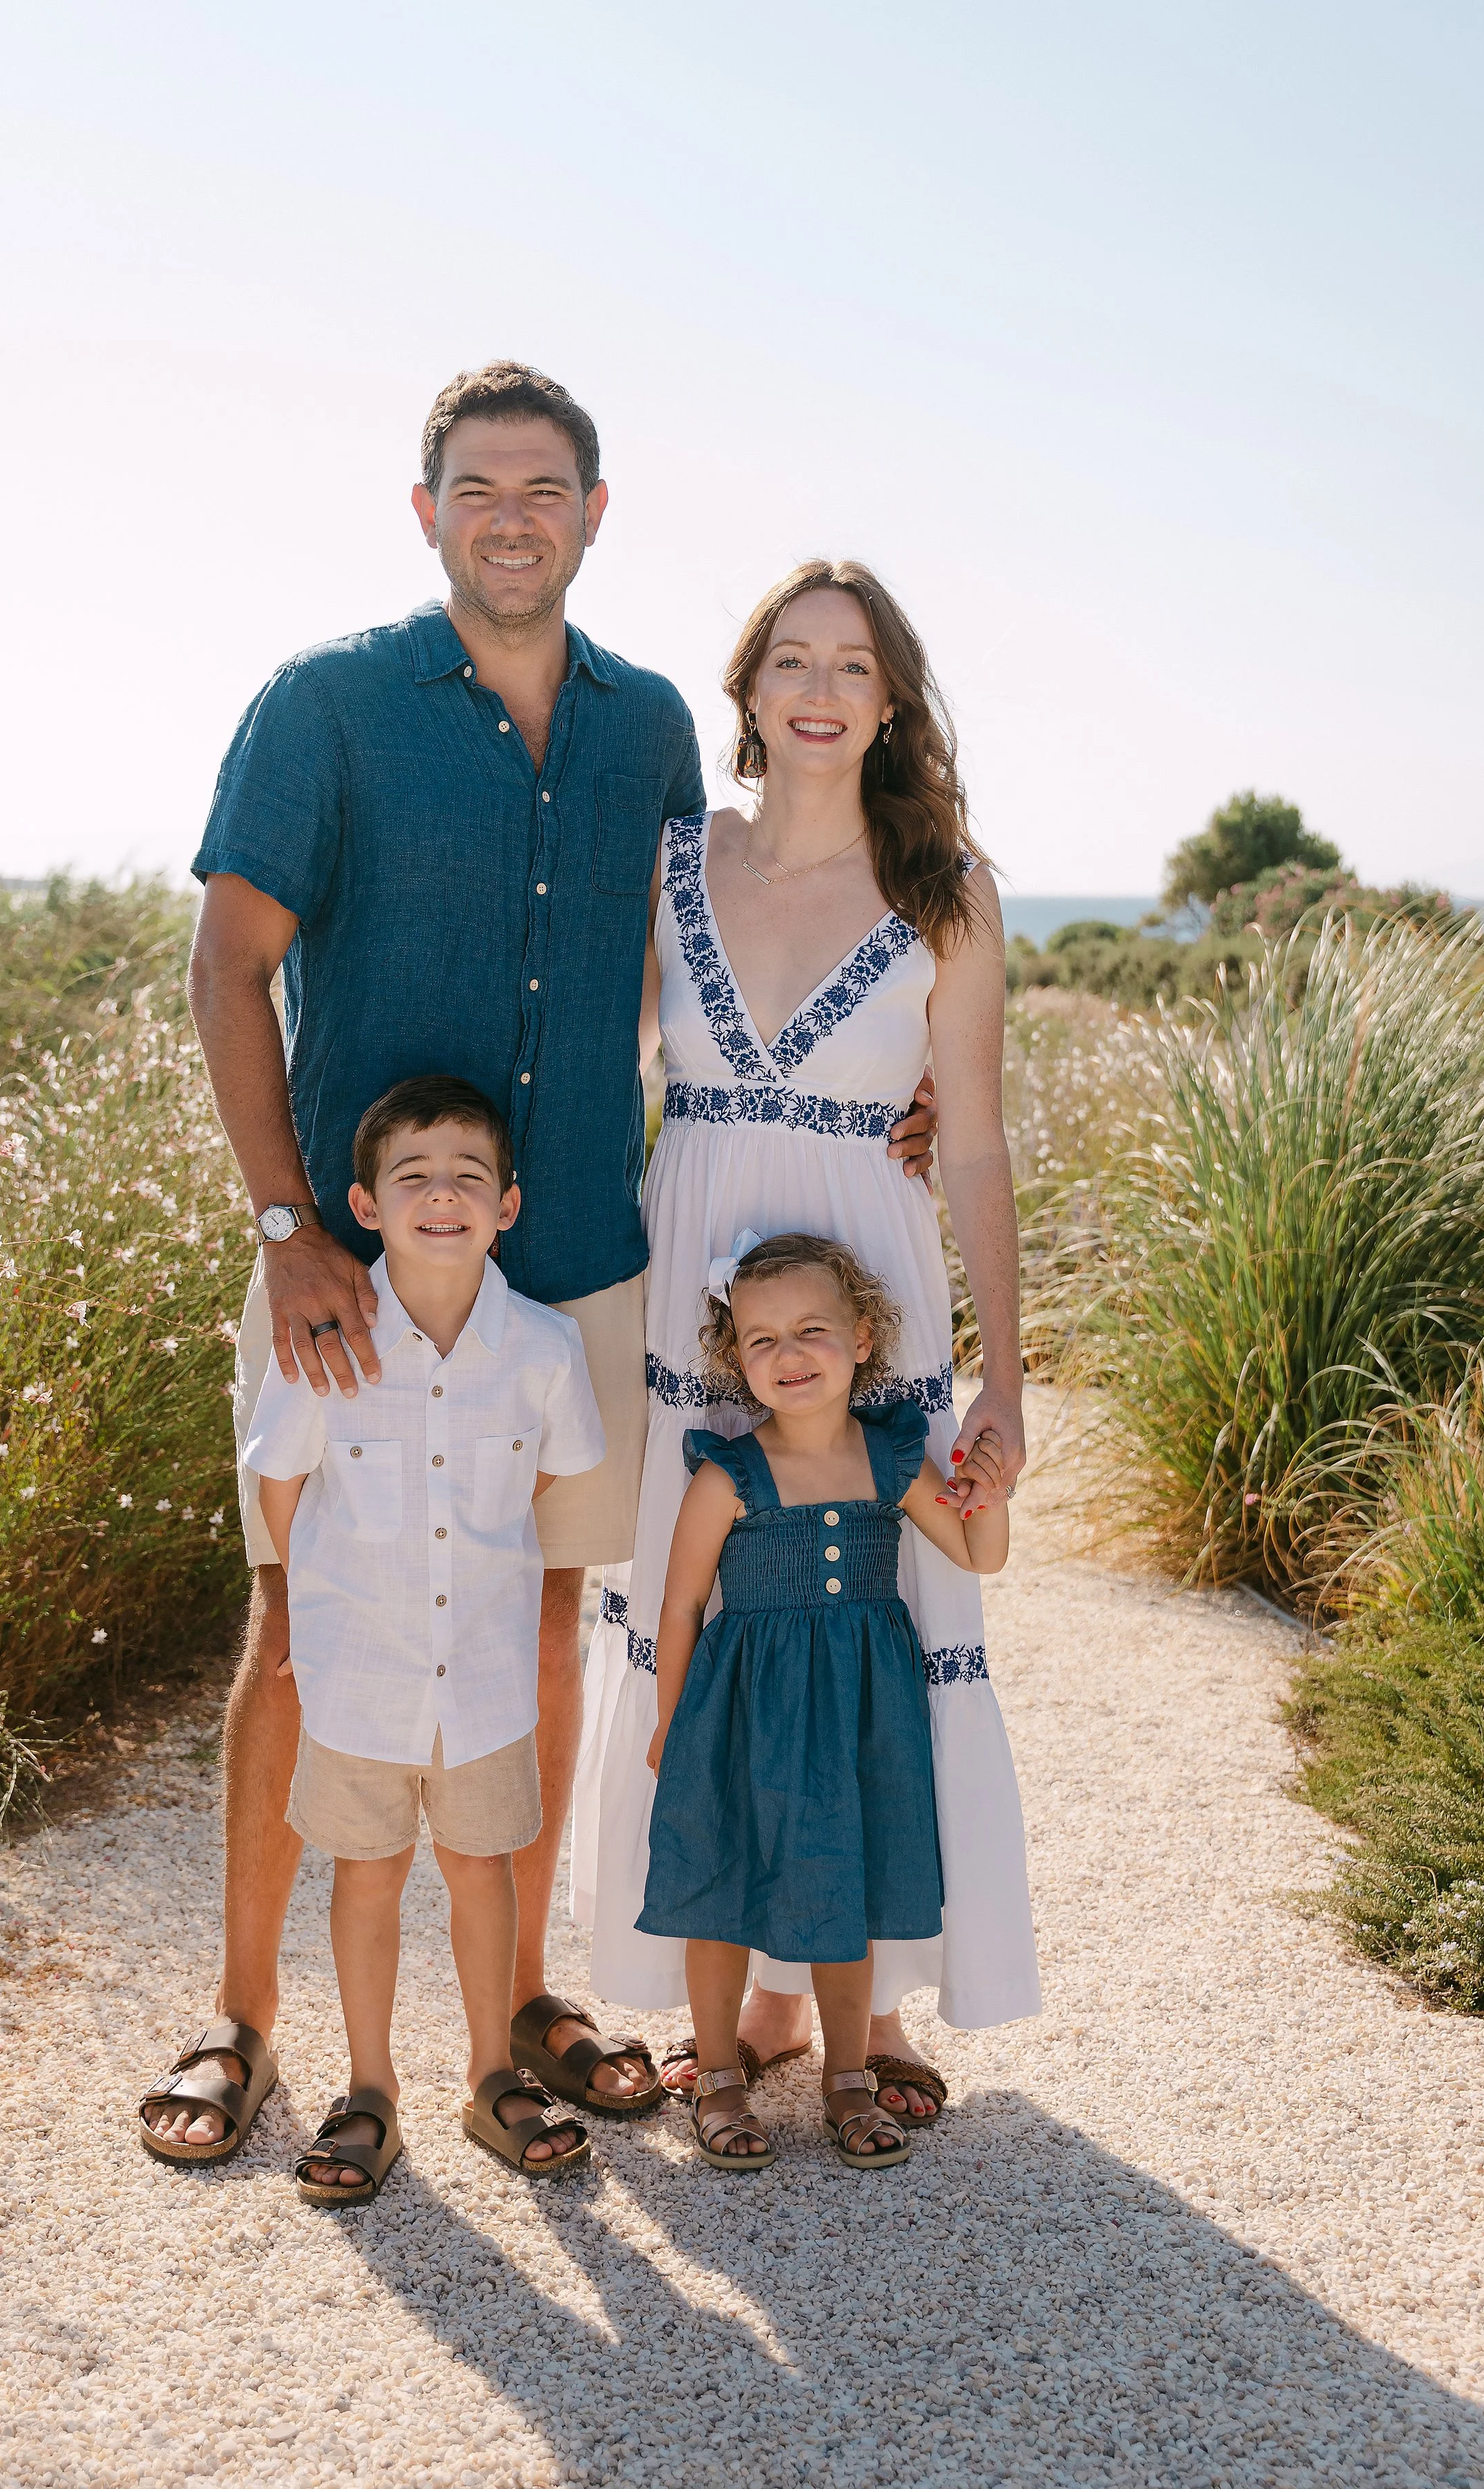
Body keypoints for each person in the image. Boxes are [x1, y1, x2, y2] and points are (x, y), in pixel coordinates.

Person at [139, 356, 948, 2158]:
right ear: (425, 511)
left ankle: (517, 2012)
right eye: (477, 486)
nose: (513, 514)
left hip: (584, 1249)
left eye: (546, 487)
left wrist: (884, 1095)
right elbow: (226, 962)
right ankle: (243, 2014)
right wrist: (284, 1224)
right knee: (292, 1626)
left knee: (546, 1623)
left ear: (596, 513)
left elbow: (728, 946)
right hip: (348, 1269)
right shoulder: (327, 705)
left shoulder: (651, 726)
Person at [572, 558, 1043, 2120]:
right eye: (792, 659)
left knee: (881, 1619)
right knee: (708, 1605)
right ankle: (748, 1999)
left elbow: (966, 1141)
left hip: (869, 1288)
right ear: (750, 690)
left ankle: (876, 1998)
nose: (821, 688)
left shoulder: (946, 889)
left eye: (853, 665)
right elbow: (588, 1061)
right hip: (693, 1274)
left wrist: (1004, 1372)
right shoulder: (671, 859)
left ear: (890, 698)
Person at [239, 1077, 608, 2198]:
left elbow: (545, 1475)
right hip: (361, 1677)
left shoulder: (541, 1347)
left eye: (468, 1176)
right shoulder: (324, 1341)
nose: (441, 1193)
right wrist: (320, 1605)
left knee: (481, 1868)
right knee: (368, 1872)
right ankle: (369, 2089)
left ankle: (493, 2073)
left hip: (485, 1678)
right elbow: (283, 1479)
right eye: (414, 1175)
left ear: (507, 1205)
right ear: (364, 1201)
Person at [640, 1233, 1009, 2171]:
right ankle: (720, 2072)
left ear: (863, 1335)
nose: (787, 1355)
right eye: (760, 1340)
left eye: (811, 1330)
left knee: (848, 1884)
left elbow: (977, 1553)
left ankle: (848, 2074)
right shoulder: (726, 1473)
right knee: (721, 1887)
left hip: (858, 1717)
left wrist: (990, 1491)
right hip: (740, 1716)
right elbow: (681, 1605)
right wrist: (671, 1724)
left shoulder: (890, 1460)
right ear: (735, 1358)